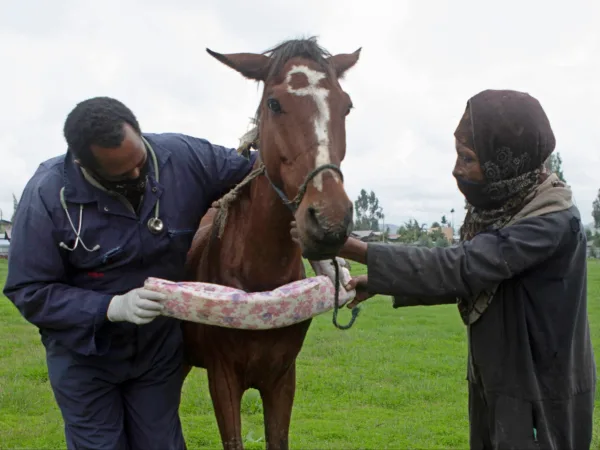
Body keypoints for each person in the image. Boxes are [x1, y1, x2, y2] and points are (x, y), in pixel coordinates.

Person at [293, 89, 596, 449]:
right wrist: (380, 282)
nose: (457, 169)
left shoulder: (551, 221)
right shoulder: (503, 210)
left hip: (539, 393)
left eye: (467, 157)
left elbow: (463, 266)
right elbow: (471, 277)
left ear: (506, 161)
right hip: (496, 382)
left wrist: (342, 244)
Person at [3, 96, 257, 449]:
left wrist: (316, 243)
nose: (138, 176)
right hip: (85, 357)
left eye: (140, 162)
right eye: (122, 175)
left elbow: (264, 173)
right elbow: (28, 289)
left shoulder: (184, 157)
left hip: (156, 352)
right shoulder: (48, 195)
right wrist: (110, 308)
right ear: (83, 163)